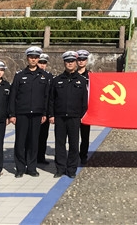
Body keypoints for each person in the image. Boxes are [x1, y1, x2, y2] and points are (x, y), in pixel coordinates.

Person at [8, 46, 50, 178]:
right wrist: (12, 114)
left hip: (37, 114)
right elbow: (13, 96)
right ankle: (20, 168)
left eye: (36, 57)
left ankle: (31, 167)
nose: (33, 59)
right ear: (27, 58)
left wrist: (44, 113)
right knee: (20, 142)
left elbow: (46, 97)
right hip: (22, 113)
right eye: (31, 57)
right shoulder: (20, 75)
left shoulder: (44, 76)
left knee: (34, 141)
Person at [48, 51, 88, 179]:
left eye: (72, 61)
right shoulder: (57, 80)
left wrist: (82, 116)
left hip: (74, 117)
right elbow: (51, 99)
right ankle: (60, 168)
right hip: (60, 117)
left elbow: (84, 101)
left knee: (74, 144)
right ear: (64, 63)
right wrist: (51, 115)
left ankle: (71, 169)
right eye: (67, 61)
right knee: (60, 144)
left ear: (76, 63)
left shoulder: (81, 81)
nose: (70, 64)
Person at [36, 53, 53, 165]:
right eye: (40, 62)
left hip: (45, 111)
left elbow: (51, 96)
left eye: (44, 63)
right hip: (33, 110)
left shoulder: (49, 77)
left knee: (43, 135)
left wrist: (50, 113)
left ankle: (41, 156)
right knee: (31, 136)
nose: (42, 65)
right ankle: (31, 157)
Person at [76, 49, 91, 164]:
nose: (81, 61)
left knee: (85, 136)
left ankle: (83, 155)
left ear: (86, 61)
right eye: (79, 59)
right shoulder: (73, 74)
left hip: (86, 110)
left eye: (83, 59)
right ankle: (73, 155)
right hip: (74, 109)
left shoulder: (91, 76)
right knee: (73, 136)